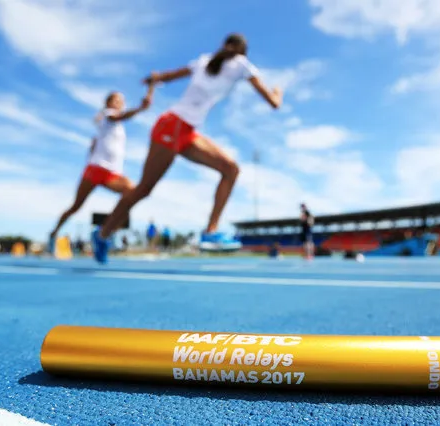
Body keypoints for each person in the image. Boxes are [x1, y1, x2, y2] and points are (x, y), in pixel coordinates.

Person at [91, 33, 283, 263]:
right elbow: (272, 102)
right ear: (242, 51)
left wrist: (154, 78)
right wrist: (278, 93)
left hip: (186, 131)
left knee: (230, 169)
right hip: (172, 126)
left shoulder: (203, 60)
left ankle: (210, 232)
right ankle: (102, 235)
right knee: (143, 189)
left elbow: (169, 76)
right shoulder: (239, 64)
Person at [48, 88, 153, 253]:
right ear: (108, 103)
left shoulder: (113, 125)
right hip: (96, 169)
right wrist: (140, 109)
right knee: (76, 206)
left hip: (112, 173)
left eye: (121, 101)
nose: (120, 103)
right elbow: (118, 116)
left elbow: (97, 141)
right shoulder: (108, 114)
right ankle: (53, 233)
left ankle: (104, 234)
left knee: (132, 194)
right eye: (116, 100)